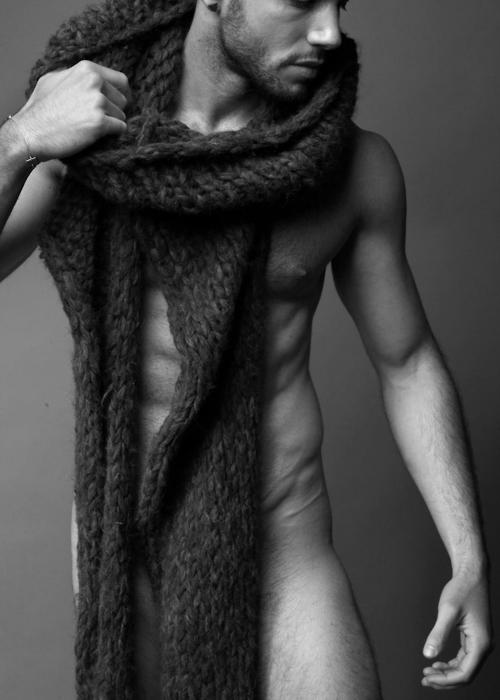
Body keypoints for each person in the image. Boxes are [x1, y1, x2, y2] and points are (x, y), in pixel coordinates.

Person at [0, 0, 492, 697]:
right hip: (128, 555)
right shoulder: (89, 142)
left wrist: (469, 558)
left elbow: (407, 361)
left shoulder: (355, 167)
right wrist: (19, 139)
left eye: (339, 4)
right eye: (299, 2)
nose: (329, 33)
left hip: (284, 554)